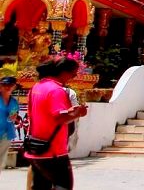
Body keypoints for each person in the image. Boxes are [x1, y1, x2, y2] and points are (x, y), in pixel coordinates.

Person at [26, 57, 88, 190]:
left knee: (40, 186)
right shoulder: (56, 91)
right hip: (53, 151)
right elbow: (59, 118)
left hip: (36, 147)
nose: (74, 76)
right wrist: (78, 113)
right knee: (63, 185)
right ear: (64, 72)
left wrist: (70, 112)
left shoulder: (38, 86)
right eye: (73, 73)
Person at [0, 76, 18, 175]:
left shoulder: (14, 102)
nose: (7, 87)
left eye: (10, 85)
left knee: (1, 162)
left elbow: (13, 117)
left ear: (14, 87)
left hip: (6, 134)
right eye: (4, 84)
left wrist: (13, 117)